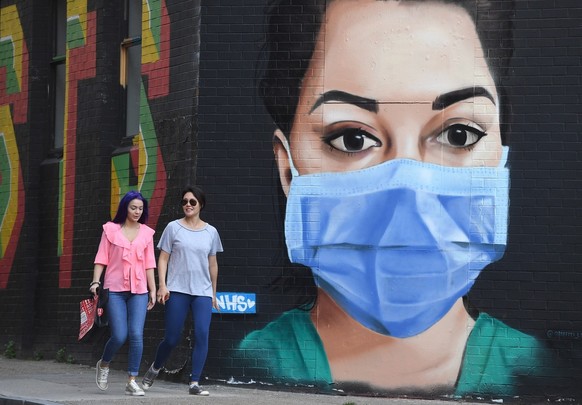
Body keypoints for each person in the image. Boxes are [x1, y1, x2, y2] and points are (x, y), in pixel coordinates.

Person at [236, 0, 555, 397]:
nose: (409, 193)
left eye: (459, 134)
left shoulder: (535, 366)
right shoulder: (251, 361)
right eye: (352, 138)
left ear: (501, 159)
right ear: (289, 169)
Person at [141, 186, 223, 396]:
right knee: (171, 338)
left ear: (200, 205)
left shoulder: (211, 232)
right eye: (185, 201)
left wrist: (213, 293)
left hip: (202, 292)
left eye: (192, 202)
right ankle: (155, 367)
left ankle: (194, 382)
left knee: (202, 335)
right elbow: (163, 258)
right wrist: (162, 285)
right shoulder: (173, 228)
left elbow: (212, 264)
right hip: (177, 289)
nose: (188, 205)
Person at [90, 190, 156, 396]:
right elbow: (102, 257)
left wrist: (153, 289)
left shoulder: (146, 233)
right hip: (115, 289)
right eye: (133, 207)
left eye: (140, 208)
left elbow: (149, 264)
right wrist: (95, 281)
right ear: (125, 208)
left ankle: (132, 380)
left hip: (139, 290)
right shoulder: (110, 230)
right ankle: (105, 364)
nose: (137, 211)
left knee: (136, 334)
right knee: (119, 335)